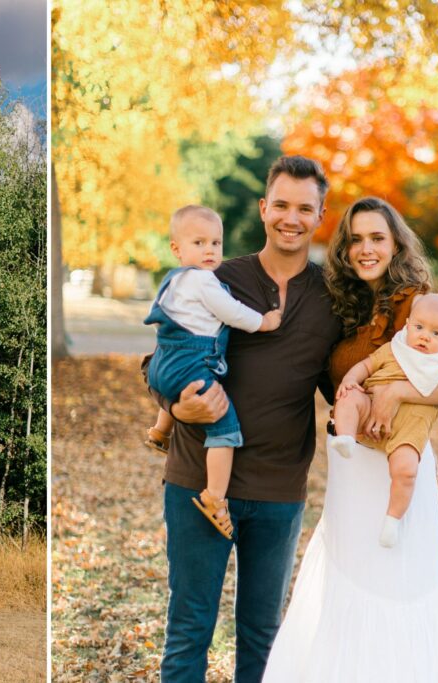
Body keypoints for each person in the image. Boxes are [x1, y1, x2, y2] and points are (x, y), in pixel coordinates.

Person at [261, 196, 438, 682]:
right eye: (356, 239)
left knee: (396, 581)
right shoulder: (340, 301)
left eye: (377, 238)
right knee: (351, 578)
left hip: (398, 464)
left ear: (396, 243)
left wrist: (397, 392)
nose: (366, 248)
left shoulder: (417, 301)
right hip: (350, 466)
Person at [146, 155, 341, 682]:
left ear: (320, 215)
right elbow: (157, 361)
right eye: (281, 205)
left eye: (305, 208)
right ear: (263, 209)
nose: (291, 218)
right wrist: (176, 407)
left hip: (280, 492)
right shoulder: (215, 276)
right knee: (189, 628)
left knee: (263, 636)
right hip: (197, 483)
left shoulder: (330, 298)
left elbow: (340, 384)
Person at [144, 205, 283, 538]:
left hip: (163, 363)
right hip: (191, 364)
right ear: (176, 248)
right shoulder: (204, 281)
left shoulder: (173, 280)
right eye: (199, 243)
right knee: (225, 430)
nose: (210, 251)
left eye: (216, 243)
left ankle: (159, 431)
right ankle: (215, 497)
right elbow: (232, 312)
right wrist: (263, 322)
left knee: (176, 393)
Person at [331, 292, 438, 546]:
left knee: (406, 471)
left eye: (436, 334)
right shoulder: (394, 348)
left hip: (409, 428)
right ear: (408, 324)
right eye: (419, 327)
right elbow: (365, 366)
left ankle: (393, 520)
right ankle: (344, 437)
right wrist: (349, 381)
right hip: (370, 408)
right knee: (348, 398)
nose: (424, 336)